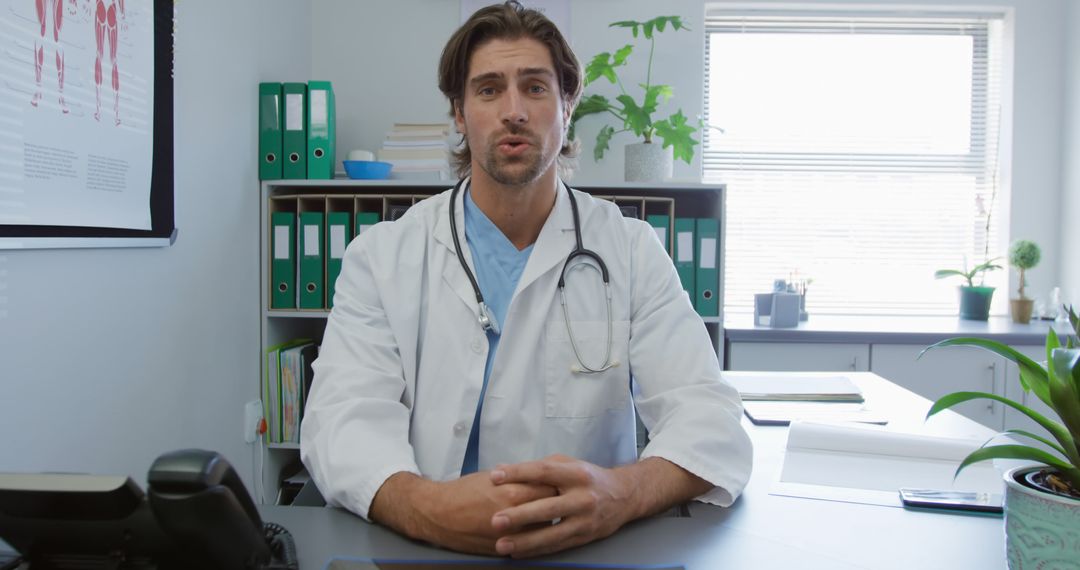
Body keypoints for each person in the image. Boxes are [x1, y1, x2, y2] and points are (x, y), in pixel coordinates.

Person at [301, 1, 752, 559]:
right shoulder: (381, 257)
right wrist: (425, 507)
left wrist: (621, 493)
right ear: (460, 115)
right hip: (420, 549)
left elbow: (707, 417)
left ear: (567, 105)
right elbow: (340, 423)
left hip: (589, 550)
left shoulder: (631, 251)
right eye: (489, 90)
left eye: (535, 88)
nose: (513, 110)